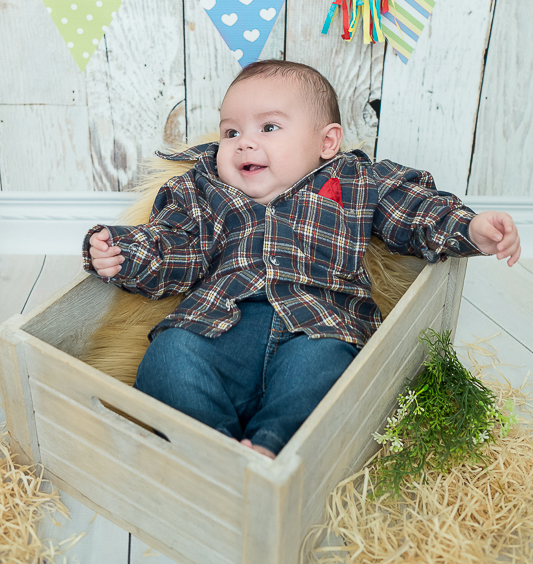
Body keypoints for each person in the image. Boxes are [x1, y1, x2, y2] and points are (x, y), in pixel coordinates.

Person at [83, 60, 521, 459]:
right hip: (222, 326)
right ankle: (219, 455)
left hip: (319, 325)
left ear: (327, 142)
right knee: (168, 355)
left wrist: (467, 228)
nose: (244, 143)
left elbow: (414, 208)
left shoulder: (355, 180)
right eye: (231, 133)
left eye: (268, 127)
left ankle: (273, 446)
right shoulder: (204, 189)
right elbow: (174, 245)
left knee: (327, 372)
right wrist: (124, 252)